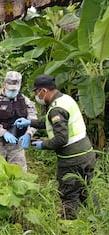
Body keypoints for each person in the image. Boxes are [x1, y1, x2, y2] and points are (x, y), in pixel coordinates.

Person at [14, 74, 96, 220]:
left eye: (36, 92)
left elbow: (61, 139)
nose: (36, 96)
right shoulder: (65, 99)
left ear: (43, 91)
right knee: (86, 189)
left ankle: (68, 225)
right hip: (87, 153)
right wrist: (30, 122)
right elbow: (49, 121)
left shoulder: (56, 109)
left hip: (72, 159)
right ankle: (97, 218)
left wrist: (42, 145)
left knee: (68, 193)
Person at [0, 71, 37, 175]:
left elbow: (33, 119)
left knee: (19, 175)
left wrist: (28, 134)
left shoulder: (25, 101)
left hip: (17, 144)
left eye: (14, 90)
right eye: (10, 89)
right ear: (4, 85)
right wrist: (3, 132)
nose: (12, 92)